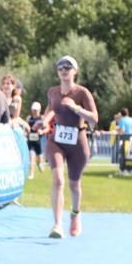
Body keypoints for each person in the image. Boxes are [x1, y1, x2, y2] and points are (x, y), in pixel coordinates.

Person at [37, 55, 99, 239]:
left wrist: (76, 108)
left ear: (75, 71)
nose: (64, 69)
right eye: (60, 67)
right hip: (56, 140)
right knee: (58, 180)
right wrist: (44, 121)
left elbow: (95, 119)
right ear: (57, 71)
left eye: (68, 66)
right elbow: (51, 110)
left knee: (74, 185)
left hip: (78, 143)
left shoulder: (82, 93)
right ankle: (57, 225)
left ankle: (75, 214)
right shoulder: (53, 92)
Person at [27, 101, 46, 179]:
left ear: (39, 110)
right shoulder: (29, 118)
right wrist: (26, 132)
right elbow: (27, 127)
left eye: (36, 110)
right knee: (31, 156)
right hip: (30, 140)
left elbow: (47, 128)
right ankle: (31, 173)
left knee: (39, 156)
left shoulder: (42, 118)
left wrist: (42, 131)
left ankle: (40, 163)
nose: (35, 111)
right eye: (33, 110)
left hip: (39, 140)